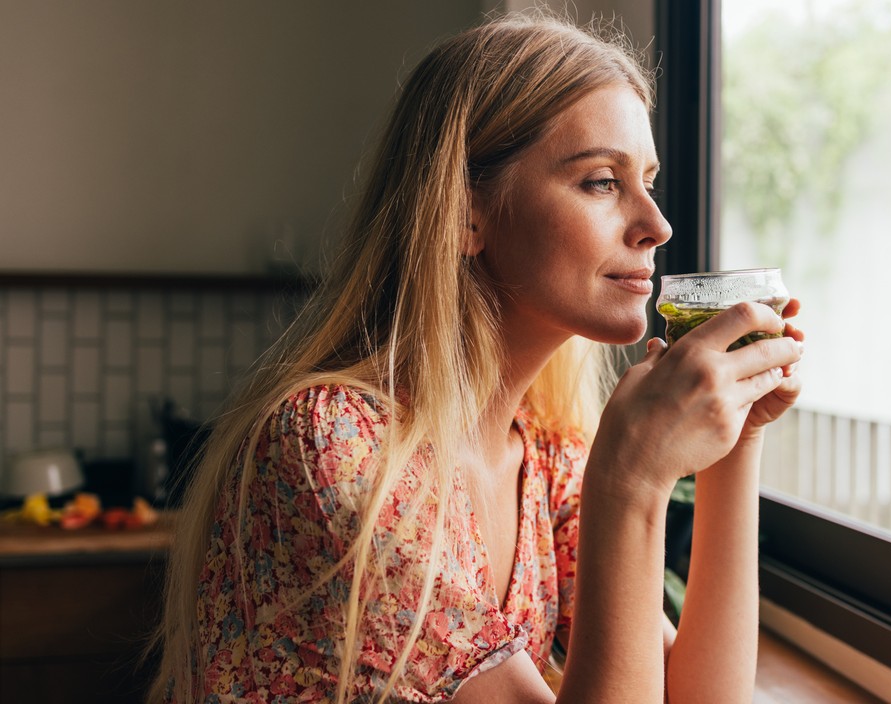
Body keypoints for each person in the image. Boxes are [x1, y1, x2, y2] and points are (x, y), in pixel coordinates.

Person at [148, 11, 804, 704]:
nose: (657, 225)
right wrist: (631, 483)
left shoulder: (546, 458)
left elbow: (696, 698)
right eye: (601, 183)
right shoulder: (331, 449)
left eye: (648, 181)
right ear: (466, 214)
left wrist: (738, 440)